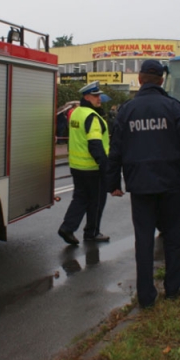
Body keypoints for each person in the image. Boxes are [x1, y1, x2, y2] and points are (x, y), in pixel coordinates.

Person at [107, 60, 180, 308]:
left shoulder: (127, 110)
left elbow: (115, 149)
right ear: (161, 80)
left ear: (139, 79)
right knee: (172, 237)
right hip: (171, 184)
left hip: (140, 186)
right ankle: (173, 289)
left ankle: (146, 297)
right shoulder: (173, 107)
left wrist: (114, 182)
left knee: (144, 240)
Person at [58, 81, 111, 244]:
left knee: (80, 198)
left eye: (99, 96)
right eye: (96, 96)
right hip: (92, 168)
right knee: (96, 201)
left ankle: (67, 228)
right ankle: (92, 232)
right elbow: (95, 144)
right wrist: (105, 166)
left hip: (76, 166)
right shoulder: (92, 117)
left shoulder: (76, 113)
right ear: (87, 97)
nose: (99, 99)